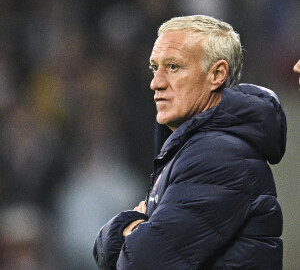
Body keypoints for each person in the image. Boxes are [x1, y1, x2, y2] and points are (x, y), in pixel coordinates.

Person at [93, 15, 287, 269]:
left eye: (173, 67)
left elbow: (141, 262)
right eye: (155, 67)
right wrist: (133, 229)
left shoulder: (219, 155)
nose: (156, 83)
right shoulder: (191, 149)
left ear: (217, 74)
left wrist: (131, 228)